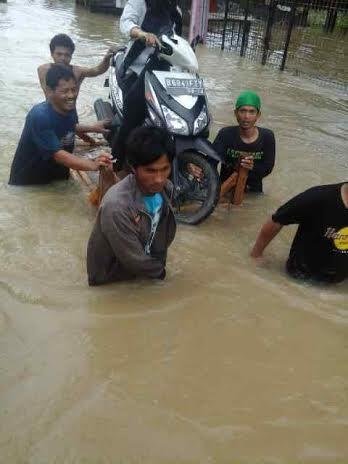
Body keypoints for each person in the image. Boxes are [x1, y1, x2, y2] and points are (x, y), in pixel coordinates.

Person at [87, 126, 176, 286]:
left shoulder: (166, 189)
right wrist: (163, 277)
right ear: (133, 168)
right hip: (112, 282)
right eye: (150, 171)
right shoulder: (116, 207)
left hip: (143, 272)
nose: (159, 179)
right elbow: (133, 260)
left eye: (165, 169)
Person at [9, 65, 112, 186]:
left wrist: (90, 130)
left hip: (57, 174)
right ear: (49, 91)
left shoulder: (68, 107)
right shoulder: (39, 116)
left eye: (74, 89)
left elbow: (69, 125)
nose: (71, 95)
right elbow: (58, 155)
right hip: (29, 182)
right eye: (65, 91)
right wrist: (92, 165)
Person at [113, 0, 182, 167]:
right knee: (134, 109)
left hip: (164, 69)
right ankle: (117, 158)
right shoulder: (139, 3)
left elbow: (178, 42)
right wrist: (141, 34)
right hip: (137, 67)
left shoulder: (175, 10)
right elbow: (126, 22)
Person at [251, 182, 348, 284]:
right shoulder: (319, 197)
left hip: (339, 283)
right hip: (302, 279)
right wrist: (256, 255)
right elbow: (277, 219)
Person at [213, 91, 275, 193]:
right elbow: (212, 162)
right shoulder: (225, 134)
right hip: (225, 190)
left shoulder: (267, 137)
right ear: (235, 113)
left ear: (258, 115)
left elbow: (267, 168)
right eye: (242, 111)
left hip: (253, 192)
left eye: (251, 112)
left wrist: (252, 167)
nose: (246, 116)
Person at [38, 33, 114, 96]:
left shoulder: (77, 72)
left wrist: (107, 57)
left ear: (71, 56)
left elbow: (97, 70)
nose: (63, 58)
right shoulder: (43, 70)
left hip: (69, 111)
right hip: (48, 111)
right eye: (59, 54)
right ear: (52, 54)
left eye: (67, 55)